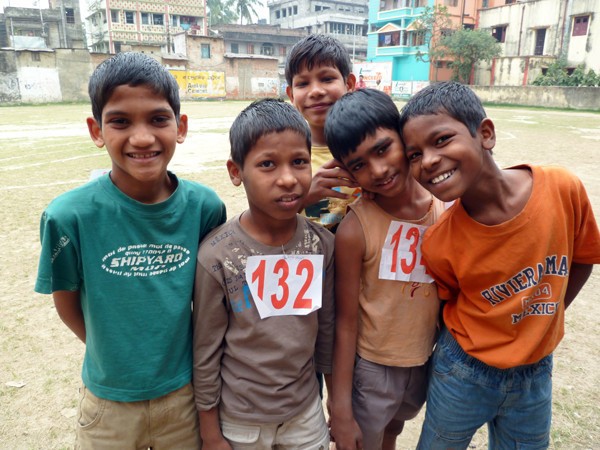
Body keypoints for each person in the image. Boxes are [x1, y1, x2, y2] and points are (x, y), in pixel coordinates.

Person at [34, 52, 226, 449]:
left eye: (158, 119)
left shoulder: (205, 208)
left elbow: (211, 300)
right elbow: (66, 302)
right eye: (120, 121)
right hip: (108, 405)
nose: (142, 138)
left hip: (185, 397)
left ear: (180, 127)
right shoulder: (67, 216)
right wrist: (116, 355)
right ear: (96, 130)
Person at [399, 81, 600, 449]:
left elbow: (583, 258)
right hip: (462, 371)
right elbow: (449, 302)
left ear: (486, 134)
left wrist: (546, 314)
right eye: (414, 155)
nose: (427, 161)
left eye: (441, 140)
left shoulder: (562, 189)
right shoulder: (439, 241)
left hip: (535, 373)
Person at [192, 98, 335, 449]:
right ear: (236, 172)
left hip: (305, 414)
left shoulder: (323, 245)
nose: (288, 179)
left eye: (299, 162)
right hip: (240, 422)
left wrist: (337, 403)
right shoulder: (217, 255)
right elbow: (205, 350)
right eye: (267, 164)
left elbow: (327, 330)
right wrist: (210, 432)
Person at [324, 88, 445, 450]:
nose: (378, 170)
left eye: (382, 149)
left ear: (403, 137)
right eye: (359, 165)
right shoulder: (354, 230)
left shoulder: (444, 208)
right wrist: (339, 407)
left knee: (393, 431)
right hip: (372, 369)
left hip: (424, 360)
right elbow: (345, 322)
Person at [285, 33, 361, 233]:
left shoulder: (371, 147)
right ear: (291, 95)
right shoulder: (283, 157)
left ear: (349, 84)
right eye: (303, 84)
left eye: (327, 79)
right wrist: (305, 197)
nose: (316, 91)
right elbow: (266, 220)